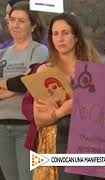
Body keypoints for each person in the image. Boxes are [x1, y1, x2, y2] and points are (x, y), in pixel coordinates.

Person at [29, 13, 101, 180]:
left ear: (76, 37)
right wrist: (63, 111)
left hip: (95, 141)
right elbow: (39, 118)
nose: (60, 38)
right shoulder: (45, 71)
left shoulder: (96, 66)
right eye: (55, 33)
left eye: (65, 33)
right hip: (60, 139)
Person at [0, 2, 48, 180]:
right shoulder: (2, 53)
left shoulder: (39, 50)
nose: (15, 25)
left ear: (33, 25)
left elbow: (31, 83)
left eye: (21, 21)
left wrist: (21, 84)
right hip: (1, 126)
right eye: (12, 20)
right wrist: (18, 84)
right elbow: (23, 83)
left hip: (26, 126)